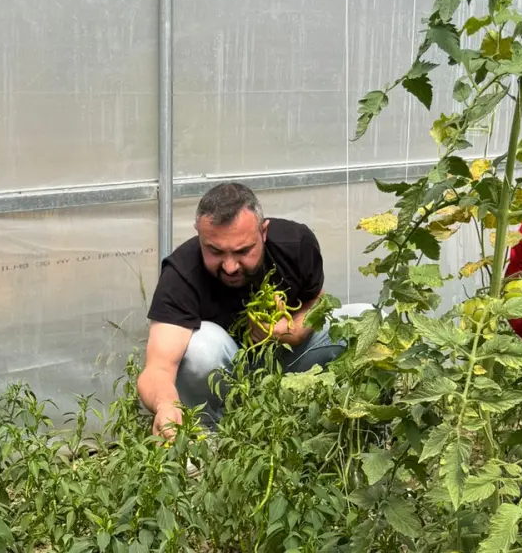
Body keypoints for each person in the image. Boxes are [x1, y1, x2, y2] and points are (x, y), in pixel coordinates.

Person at [137, 182, 368, 437]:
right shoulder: (181, 274)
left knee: (365, 320)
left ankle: (354, 428)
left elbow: (317, 301)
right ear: (199, 234)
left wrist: (294, 331)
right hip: (227, 376)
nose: (230, 266)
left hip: (288, 359)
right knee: (199, 346)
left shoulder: (295, 244)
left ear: (263, 232)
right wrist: (165, 405)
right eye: (215, 251)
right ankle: (208, 437)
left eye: (243, 250)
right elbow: (158, 368)